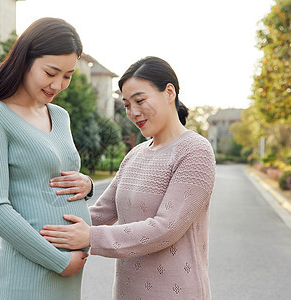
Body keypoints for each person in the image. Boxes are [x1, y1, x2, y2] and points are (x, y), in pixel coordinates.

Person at [41, 56, 216, 299]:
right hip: (127, 292)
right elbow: (102, 212)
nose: (133, 112)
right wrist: (43, 227)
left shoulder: (195, 151)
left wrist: (90, 237)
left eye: (140, 100)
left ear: (169, 92)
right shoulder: (135, 155)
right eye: (126, 105)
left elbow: (166, 228)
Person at [0, 17, 93, 299]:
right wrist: (59, 261)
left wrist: (87, 184)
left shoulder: (60, 116)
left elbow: (54, 175)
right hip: (27, 277)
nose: (58, 84)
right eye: (51, 72)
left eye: (68, 75)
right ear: (25, 60)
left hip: (68, 281)